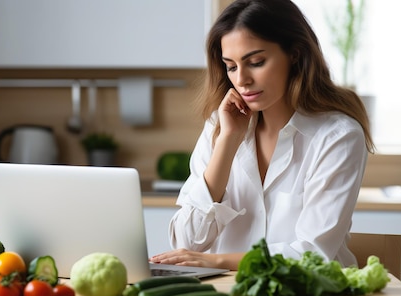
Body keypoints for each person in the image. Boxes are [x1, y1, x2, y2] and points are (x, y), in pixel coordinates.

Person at [149, 0, 375, 271]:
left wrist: (217, 261)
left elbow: (313, 255)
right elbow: (187, 240)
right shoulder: (220, 126)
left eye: (256, 62)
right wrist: (228, 142)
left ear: (295, 53)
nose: (242, 79)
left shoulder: (337, 136)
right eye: (231, 66)